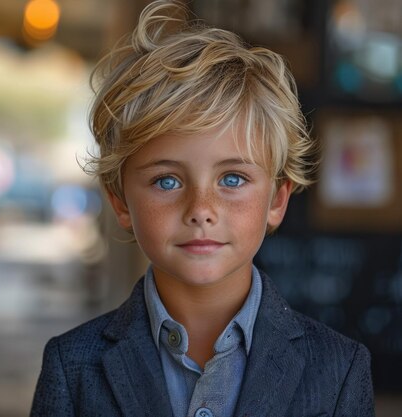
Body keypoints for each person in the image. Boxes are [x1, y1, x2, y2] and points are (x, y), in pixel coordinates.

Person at [30, 1, 374, 416]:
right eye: (167, 181)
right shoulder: (72, 368)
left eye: (232, 179)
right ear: (120, 201)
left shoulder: (339, 370)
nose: (201, 209)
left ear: (277, 199)